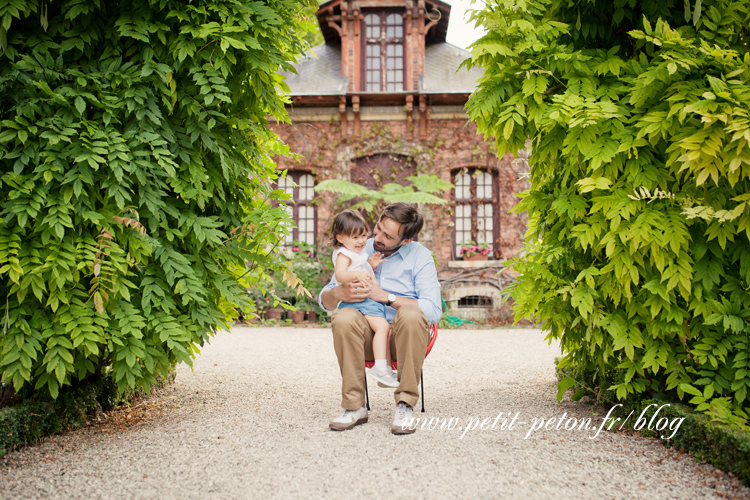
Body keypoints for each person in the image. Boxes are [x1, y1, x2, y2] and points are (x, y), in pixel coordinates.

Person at [318, 202, 442, 435]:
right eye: (378, 228)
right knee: (343, 317)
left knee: (413, 313)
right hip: (364, 339)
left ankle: (405, 405)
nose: (377, 238)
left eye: (388, 235)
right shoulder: (357, 247)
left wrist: (386, 297)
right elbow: (325, 299)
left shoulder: (420, 257)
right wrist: (336, 293)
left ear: (406, 240)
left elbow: (433, 309)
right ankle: (354, 408)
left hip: (403, 339)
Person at [329, 210, 398, 388]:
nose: (361, 241)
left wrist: (371, 265)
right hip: (362, 302)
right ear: (340, 238)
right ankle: (380, 368)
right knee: (383, 327)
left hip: (370, 301)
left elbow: (363, 271)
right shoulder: (344, 254)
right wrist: (358, 273)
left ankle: (387, 369)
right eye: (355, 237)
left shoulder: (356, 253)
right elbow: (341, 275)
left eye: (363, 235)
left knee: (386, 329)